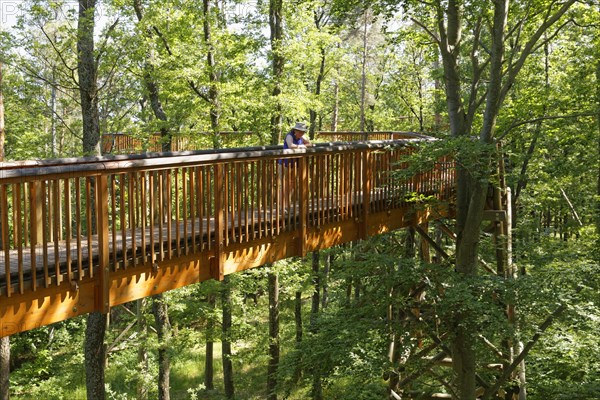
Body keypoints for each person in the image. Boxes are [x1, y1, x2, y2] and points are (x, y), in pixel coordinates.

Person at [278, 122, 313, 216]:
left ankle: (286, 206)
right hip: (285, 164)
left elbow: (310, 144)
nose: (301, 133)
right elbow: (290, 145)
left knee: (292, 185)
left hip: (295, 164)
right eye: (300, 131)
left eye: (303, 132)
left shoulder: (301, 137)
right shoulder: (289, 136)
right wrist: (300, 146)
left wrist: (304, 144)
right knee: (285, 186)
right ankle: (282, 208)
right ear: (295, 130)